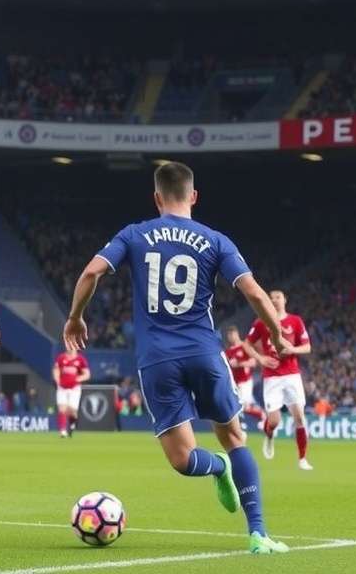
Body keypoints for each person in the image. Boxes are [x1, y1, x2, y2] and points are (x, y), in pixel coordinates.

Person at [64, 161, 292, 555]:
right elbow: (254, 292)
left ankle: (216, 468)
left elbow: (90, 274)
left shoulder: (134, 234)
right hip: (205, 353)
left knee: (183, 460)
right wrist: (275, 332)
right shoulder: (215, 240)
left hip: (157, 360)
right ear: (194, 196)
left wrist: (75, 318)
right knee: (234, 438)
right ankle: (258, 533)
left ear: (156, 198)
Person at [243, 290, 313, 470]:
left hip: (292, 375)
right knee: (274, 421)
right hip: (272, 377)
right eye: (271, 298)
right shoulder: (261, 321)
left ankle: (302, 459)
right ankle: (269, 436)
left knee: (300, 417)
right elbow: (246, 344)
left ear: (285, 300)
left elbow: (307, 347)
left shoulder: (295, 321)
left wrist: (293, 350)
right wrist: (260, 358)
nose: (274, 300)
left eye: (278, 297)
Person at [224, 325, 264, 428]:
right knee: (238, 405)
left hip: (245, 381)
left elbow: (253, 362)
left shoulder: (245, 347)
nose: (231, 337)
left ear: (237, 334)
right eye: (229, 335)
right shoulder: (228, 351)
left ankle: (262, 416)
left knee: (243, 405)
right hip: (235, 383)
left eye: (232, 334)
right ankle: (241, 424)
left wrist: (239, 364)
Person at [52, 347, 91, 437]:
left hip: (74, 388)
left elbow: (87, 374)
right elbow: (56, 370)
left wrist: (77, 379)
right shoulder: (61, 357)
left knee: (72, 411)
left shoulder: (80, 359)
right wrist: (57, 380)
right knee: (62, 409)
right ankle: (62, 431)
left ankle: (72, 425)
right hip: (62, 387)